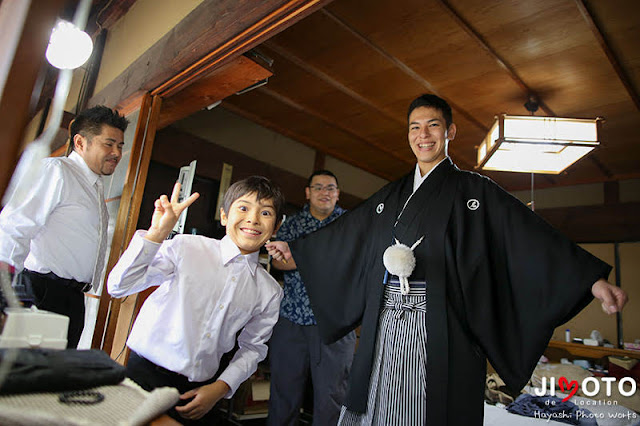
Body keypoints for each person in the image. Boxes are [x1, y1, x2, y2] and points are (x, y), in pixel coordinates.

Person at [267, 94, 628, 425]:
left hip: (442, 324)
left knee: (432, 407)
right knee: (376, 401)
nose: (423, 135)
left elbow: (526, 234)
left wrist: (590, 280)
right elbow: (348, 234)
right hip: (385, 322)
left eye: (433, 125)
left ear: (450, 131)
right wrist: (298, 251)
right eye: (415, 127)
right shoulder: (391, 194)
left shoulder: (474, 191)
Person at [107, 176, 285, 424]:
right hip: (142, 376)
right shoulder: (187, 247)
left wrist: (221, 387)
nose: (253, 219)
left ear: (275, 227)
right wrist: (156, 234)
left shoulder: (269, 291)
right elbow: (118, 286)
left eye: (265, 213)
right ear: (224, 216)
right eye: (243, 208)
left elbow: (253, 348)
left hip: (199, 393)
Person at [0, 105, 128, 348]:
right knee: (25, 377)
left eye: (120, 146)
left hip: (72, 299)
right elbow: (13, 228)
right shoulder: (55, 170)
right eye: (109, 144)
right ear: (80, 143)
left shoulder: (94, 185)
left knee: (52, 379)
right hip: (41, 292)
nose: (117, 153)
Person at [267, 170, 356, 426]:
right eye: (318, 187)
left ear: (338, 194)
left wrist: (300, 258)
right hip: (291, 319)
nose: (324, 192)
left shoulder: (351, 224)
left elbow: (352, 264)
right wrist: (325, 259)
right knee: (284, 391)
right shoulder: (292, 224)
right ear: (308, 193)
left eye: (330, 188)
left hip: (336, 322)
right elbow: (279, 263)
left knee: (333, 395)